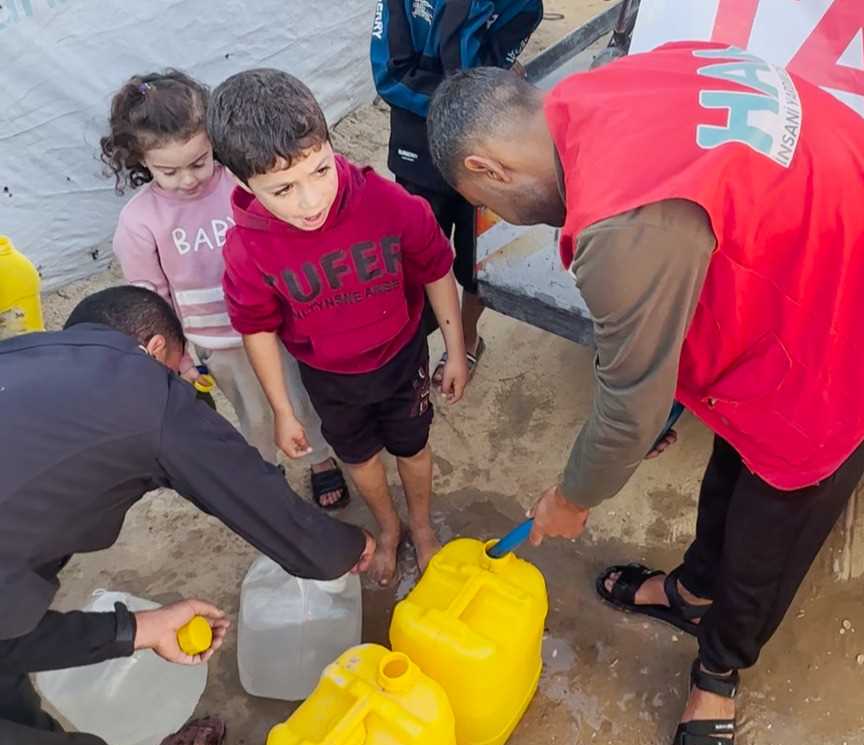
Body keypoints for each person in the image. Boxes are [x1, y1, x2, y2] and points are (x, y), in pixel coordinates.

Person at [426, 44, 864, 745]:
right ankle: (694, 589)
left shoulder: (618, 223)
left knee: (774, 514)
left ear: (487, 171)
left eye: (489, 205)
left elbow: (628, 406)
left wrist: (570, 498)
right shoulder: (608, 90)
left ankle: (719, 671)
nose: (501, 216)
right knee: (736, 440)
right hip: (821, 265)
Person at [0, 286, 375, 745]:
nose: (186, 380)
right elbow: (253, 492)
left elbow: (8, 642)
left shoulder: (25, 357)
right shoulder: (142, 388)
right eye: (182, 368)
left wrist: (139, 630)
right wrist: (346, 545)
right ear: (155, 350)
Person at [207, 68, 468, 584]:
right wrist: (282, 410)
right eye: (282, 189)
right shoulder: (247, 249)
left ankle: (421, 525)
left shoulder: (385, 202)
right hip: (329, 379)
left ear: (330, 144)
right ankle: (388, 527)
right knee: (359, 457)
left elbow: (437, 265)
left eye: (320, 171)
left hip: (401, 359)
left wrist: (455, 349)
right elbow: (255, 327)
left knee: (413, 446)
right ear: (242, 182)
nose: (310, 202)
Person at [102, 69, 350, 510]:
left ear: (215, 140)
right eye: (169, 171)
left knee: (303, 398)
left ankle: (320, 460)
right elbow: (150, 301)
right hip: (220, 344)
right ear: (141, 161)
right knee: (253, 414)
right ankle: (266, 469)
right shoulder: (139, 222)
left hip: (283, 327)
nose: (189, 179)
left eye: (200, 161)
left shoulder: (242, 182)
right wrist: (175, 361)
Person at [370, 0, 543, 385]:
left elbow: (488, 74)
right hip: (420, 148)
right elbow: (391, 76)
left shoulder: (524, 6)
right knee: (416, 260)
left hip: (482, 154)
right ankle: (411, 353)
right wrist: (474, 97)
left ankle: (466, 337)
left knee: (477, 262)